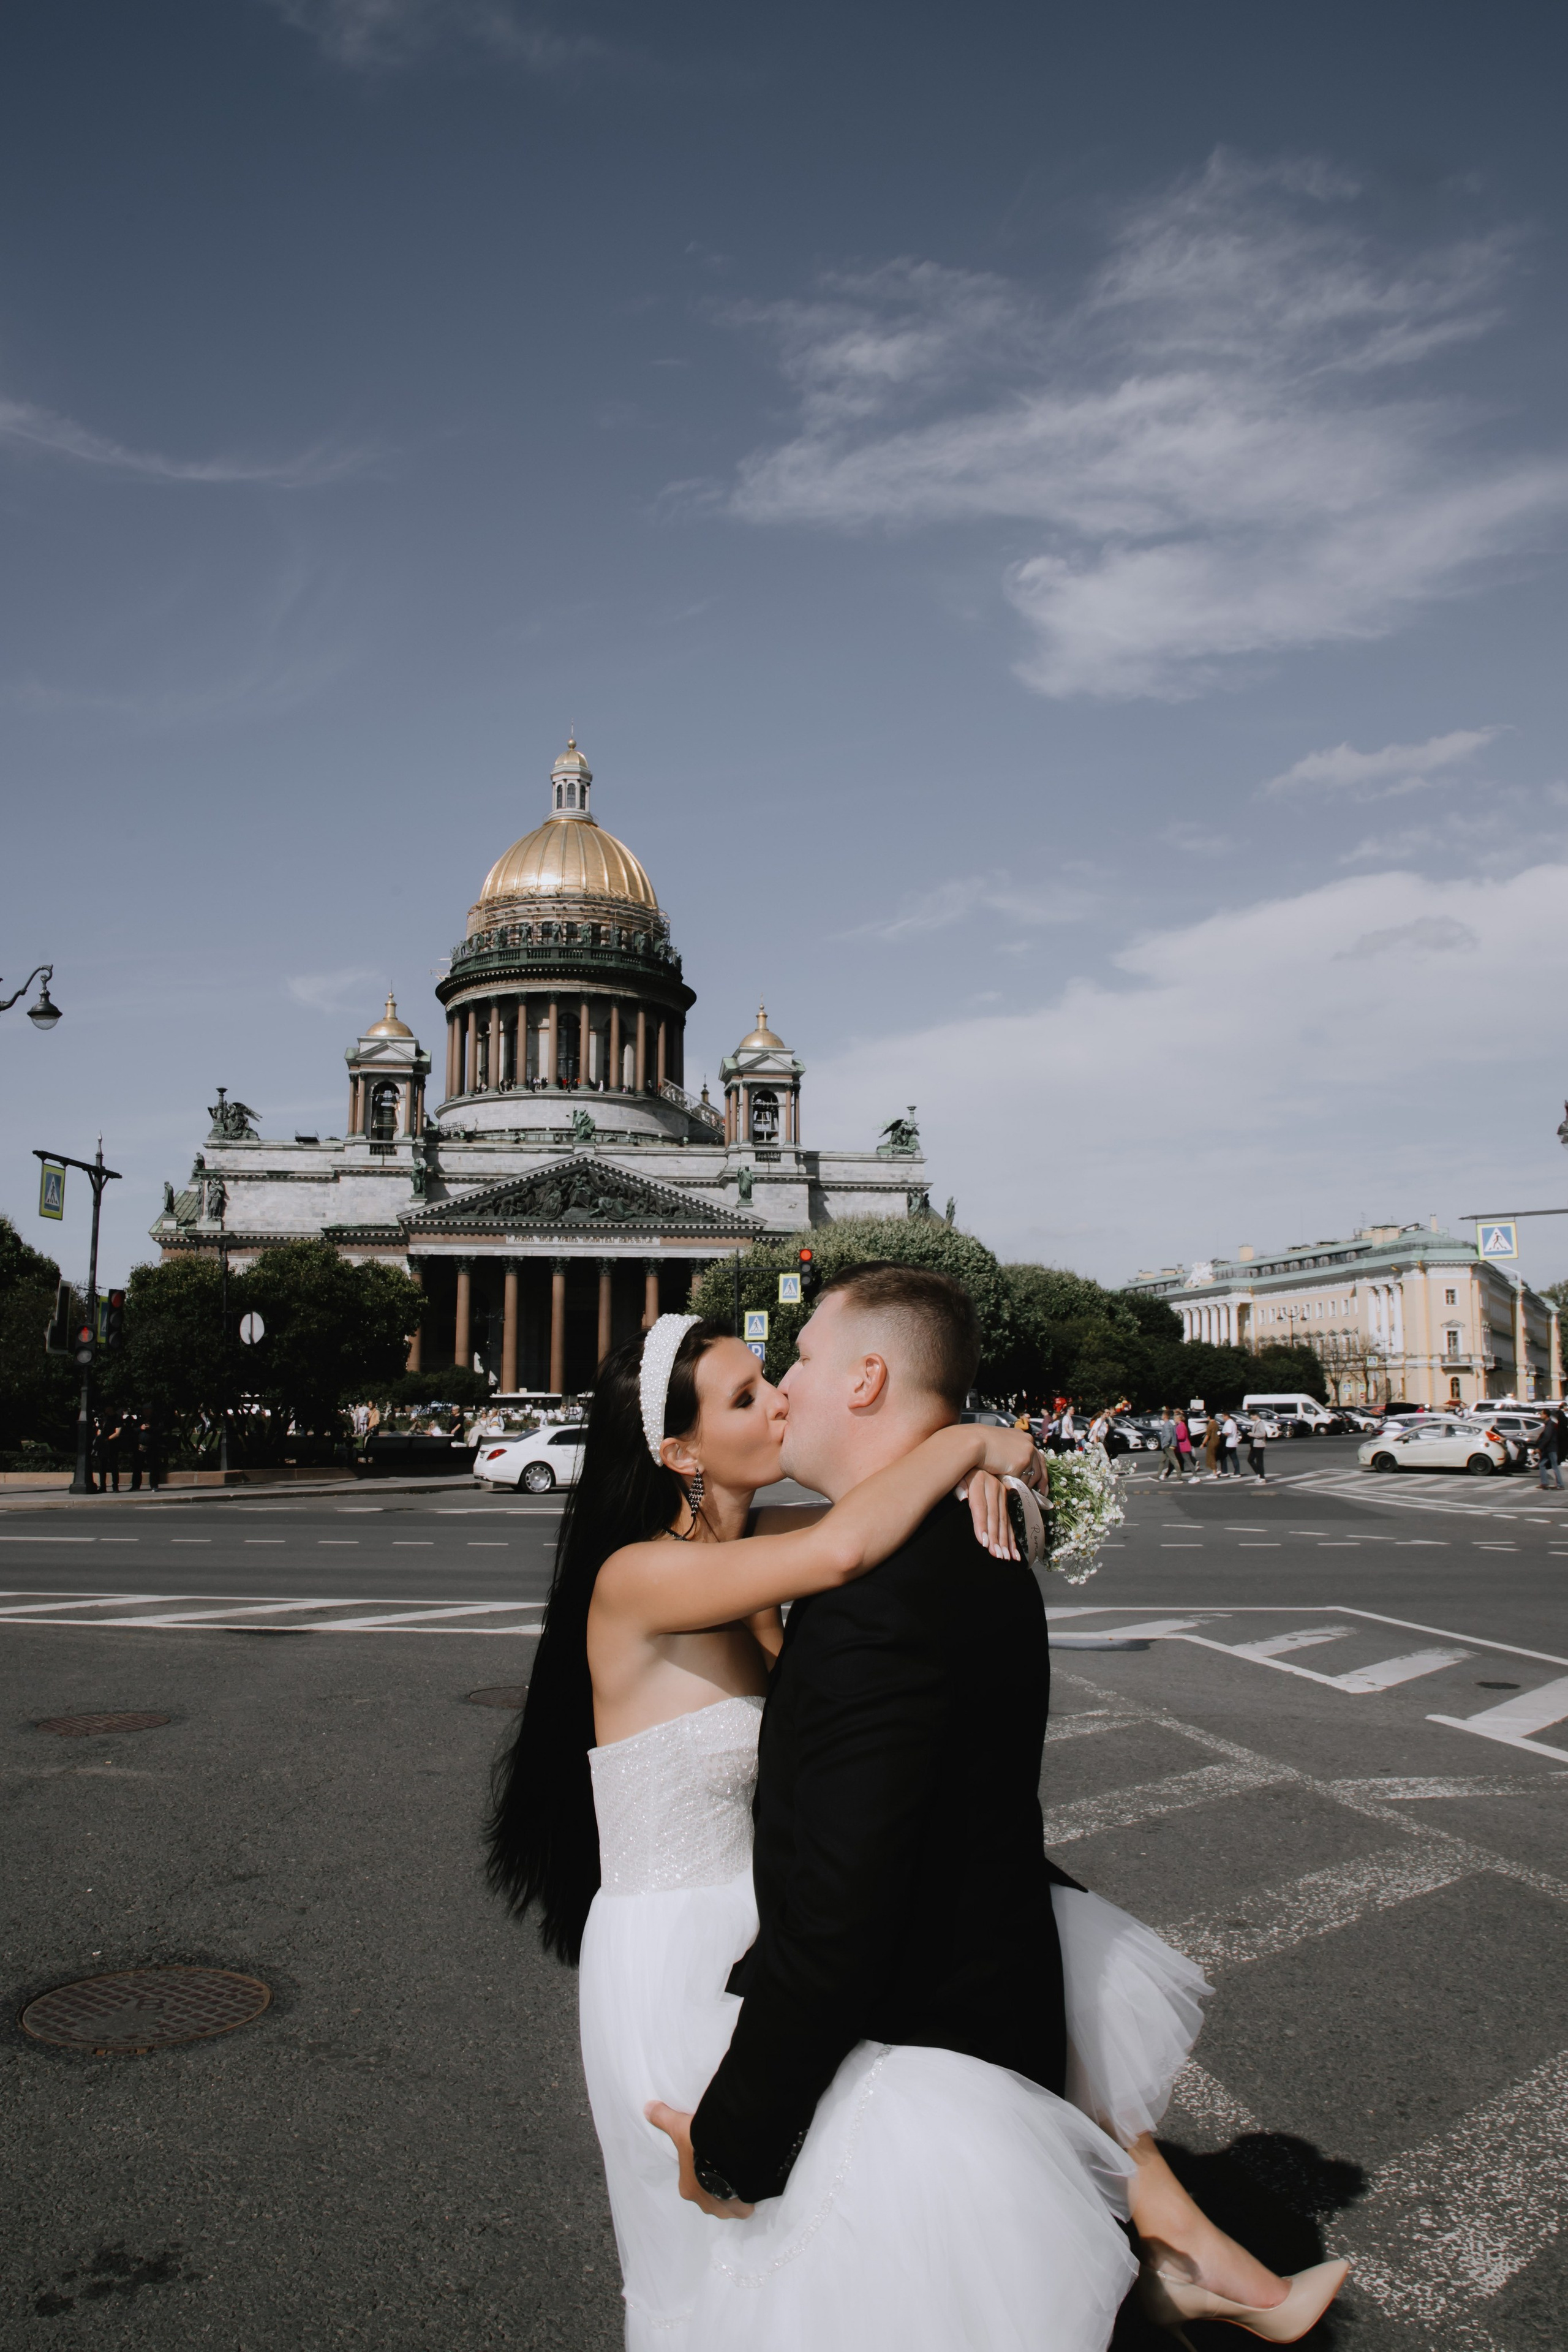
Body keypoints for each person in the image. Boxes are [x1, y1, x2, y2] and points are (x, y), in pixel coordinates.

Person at [489, 1275, 1345, 2351]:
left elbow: (867, 1517)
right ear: (682, 1455)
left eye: (780, 1374)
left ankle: (1173, 2245)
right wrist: (967, 1446)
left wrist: (1002, 1457)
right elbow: (850, 1545)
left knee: (847, 2203)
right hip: (682, 1942)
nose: (783, 1397)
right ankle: (1162, 2253)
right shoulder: (644, 1577)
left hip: (771, 1911)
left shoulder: (754, 1545)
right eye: (751, 1396)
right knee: (767, 2240)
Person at [1539, 1404, 1565, 1490]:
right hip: (1548, 1449)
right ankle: (1544, 1483)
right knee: (1542, 1464)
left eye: (1541, 1414)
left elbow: (1547, 1437)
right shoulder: (1548, 1424)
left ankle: (1560, 1485)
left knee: (1555, 1466)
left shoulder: (1550, 1424)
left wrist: (1540, 1447)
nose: (1540, 1415)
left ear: (1546, 1415)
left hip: (1551, 1449)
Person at [1153, 1409, 1180, 1479]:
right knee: (1162, 1461)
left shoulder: (1167, 1425)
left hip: (1168, 1446)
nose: (1161, 1417)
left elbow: (1168, 1436)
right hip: (1168, 1445)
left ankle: (1179, 1477)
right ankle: (1158, 1476)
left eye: (1162, 1415)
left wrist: (1166, 1443)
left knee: (1174, 1461)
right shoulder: (1170, 1424)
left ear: (1165, 1416)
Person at [1218, 1411, 1242, 1479]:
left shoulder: (1229, 1423)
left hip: (1228, 1443)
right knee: (1234, 1458)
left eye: (1223, 1416)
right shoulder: (1233, 1422)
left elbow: (1228, 1432)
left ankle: (1225, 1471)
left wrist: (1222, 1435)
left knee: (1223, 1457)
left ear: (1226, 1416)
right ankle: (1237, 1472)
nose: (1223, 1418)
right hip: (1233, 1442)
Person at [1246, 1416, 1268, 1482]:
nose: (1251, 1418)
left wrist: (1252, 1434)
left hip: (1260, 1445)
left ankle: (1262, 1477)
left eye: (1252, 1416)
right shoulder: (1256, 1423)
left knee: (1259, 1462)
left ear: (1256, 1416)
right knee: (1250, 1459)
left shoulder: (1260, 1423)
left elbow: (1263, 1434)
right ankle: (1259, 1473)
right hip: (1255, 1445)